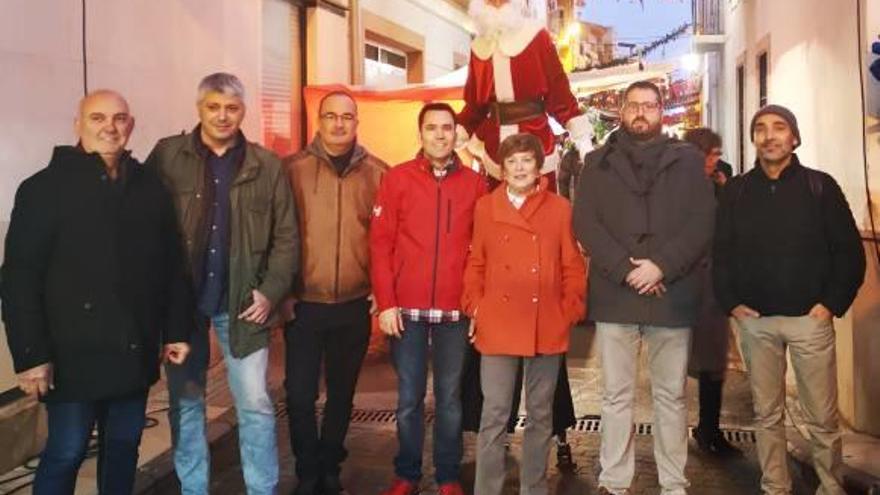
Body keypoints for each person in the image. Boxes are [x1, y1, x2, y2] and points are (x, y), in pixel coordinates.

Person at [1, 90, 191, 494]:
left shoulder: (148, 188)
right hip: (71, 354)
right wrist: (32, 356)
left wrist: (176, 329)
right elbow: (19, 278)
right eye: (98, 118)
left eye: (119, 118)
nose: (110, 127)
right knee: (66, 451)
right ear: (78, 125)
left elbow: (172, 266)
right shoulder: (42, 189)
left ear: (131, 125)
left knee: (123, 448)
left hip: (131, 346)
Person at [148, 72, 299, 495]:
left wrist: (270, 291)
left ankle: (261, 489)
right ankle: (193, 489)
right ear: (199, 109)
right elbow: (143, 224)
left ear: (243, 111)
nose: (222, 115)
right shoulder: (167, 156)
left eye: (231, 108)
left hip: (243, 304)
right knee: (187, 404)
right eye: (213, 106)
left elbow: (287, 236)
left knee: (255, 405)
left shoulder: (266, 165)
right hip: (183, 307)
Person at [713, 105, 865, 495]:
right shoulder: (737, 191)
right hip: (756, 322)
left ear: (794, 137)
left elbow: (849, 252)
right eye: (760, 129)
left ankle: (830, 486)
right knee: (767, 414)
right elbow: (722, 252)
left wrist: (829, 305)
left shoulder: (820, 187)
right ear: (753, 139)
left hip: (809, 321)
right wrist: (731, 304)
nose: (769, 136)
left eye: (779, 128)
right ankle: (774, 486)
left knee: (821, 418)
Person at [572, 81, 715, 495]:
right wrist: (625, 269)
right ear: (620, 110)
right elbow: (586, 223)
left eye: (648, 106)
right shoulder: (596, 163)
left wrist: (662, 267)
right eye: (633, 105)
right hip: (616, 295)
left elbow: (702, 220)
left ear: (661, 111)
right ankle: (614, 481)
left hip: (671, 295)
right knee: (616, 396)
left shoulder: (688, 162)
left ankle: (674, 484)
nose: (640, 112)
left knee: (671, 397)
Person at [371, 102, 487, 495]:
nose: (440, 135)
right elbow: (380, 243)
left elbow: (481, 250)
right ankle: (406, 473)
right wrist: (386, 302)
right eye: (432, 128)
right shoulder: (397, 179)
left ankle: (449, 475)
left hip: (456, 310)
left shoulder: (474, 183)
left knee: (450, 398)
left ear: (456, 134)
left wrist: (477, 304)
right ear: (420, 134)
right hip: (407, 310)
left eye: (447, 128)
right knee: (408, 398)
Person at [462, 133, 586, 494]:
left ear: (538, 167)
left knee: (541, 416)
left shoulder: (559, 208)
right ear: (502, 169)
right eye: (512, 162)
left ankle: (534, 488)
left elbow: (572, 266)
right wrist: (476, 304)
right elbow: (476, 262)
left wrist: (569, 309)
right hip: (497, 325)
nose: (519, 168)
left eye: (526, 161)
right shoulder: (486, 207)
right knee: (494, 416)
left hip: (546, 323)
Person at [281, 91, 388, 495]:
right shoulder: (291, 169)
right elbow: (277, 234)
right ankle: (307, 469)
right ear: (319, 121)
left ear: (357, 122)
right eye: (331, 116)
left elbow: (388, 238)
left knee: (343, 393)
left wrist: (382, 289)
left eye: (347, 117)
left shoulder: (378, 173)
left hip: (353, 304)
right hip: (303, 304)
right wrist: (283, 294)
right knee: (300, 394)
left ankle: (330, 464)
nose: (339, 124)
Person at [458, 0, 593, 186]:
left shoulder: (536, 36)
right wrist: (452, 133)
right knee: (496, 211)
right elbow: (474, 107)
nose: (496, 2)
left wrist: (584, 141)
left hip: (535, 145)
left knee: (542, 210)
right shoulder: (478, 47)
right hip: (495, 150)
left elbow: (559, 92)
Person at [681, 127, 741, 457]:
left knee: (713, 363)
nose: (714, 160)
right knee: (675, 364)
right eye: (709, 154)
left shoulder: (722, 183)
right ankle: (675, 432)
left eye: (716, 154)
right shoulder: (674, 188)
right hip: (680, 288)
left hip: (713, 288)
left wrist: (724, 190)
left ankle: (709, 429)